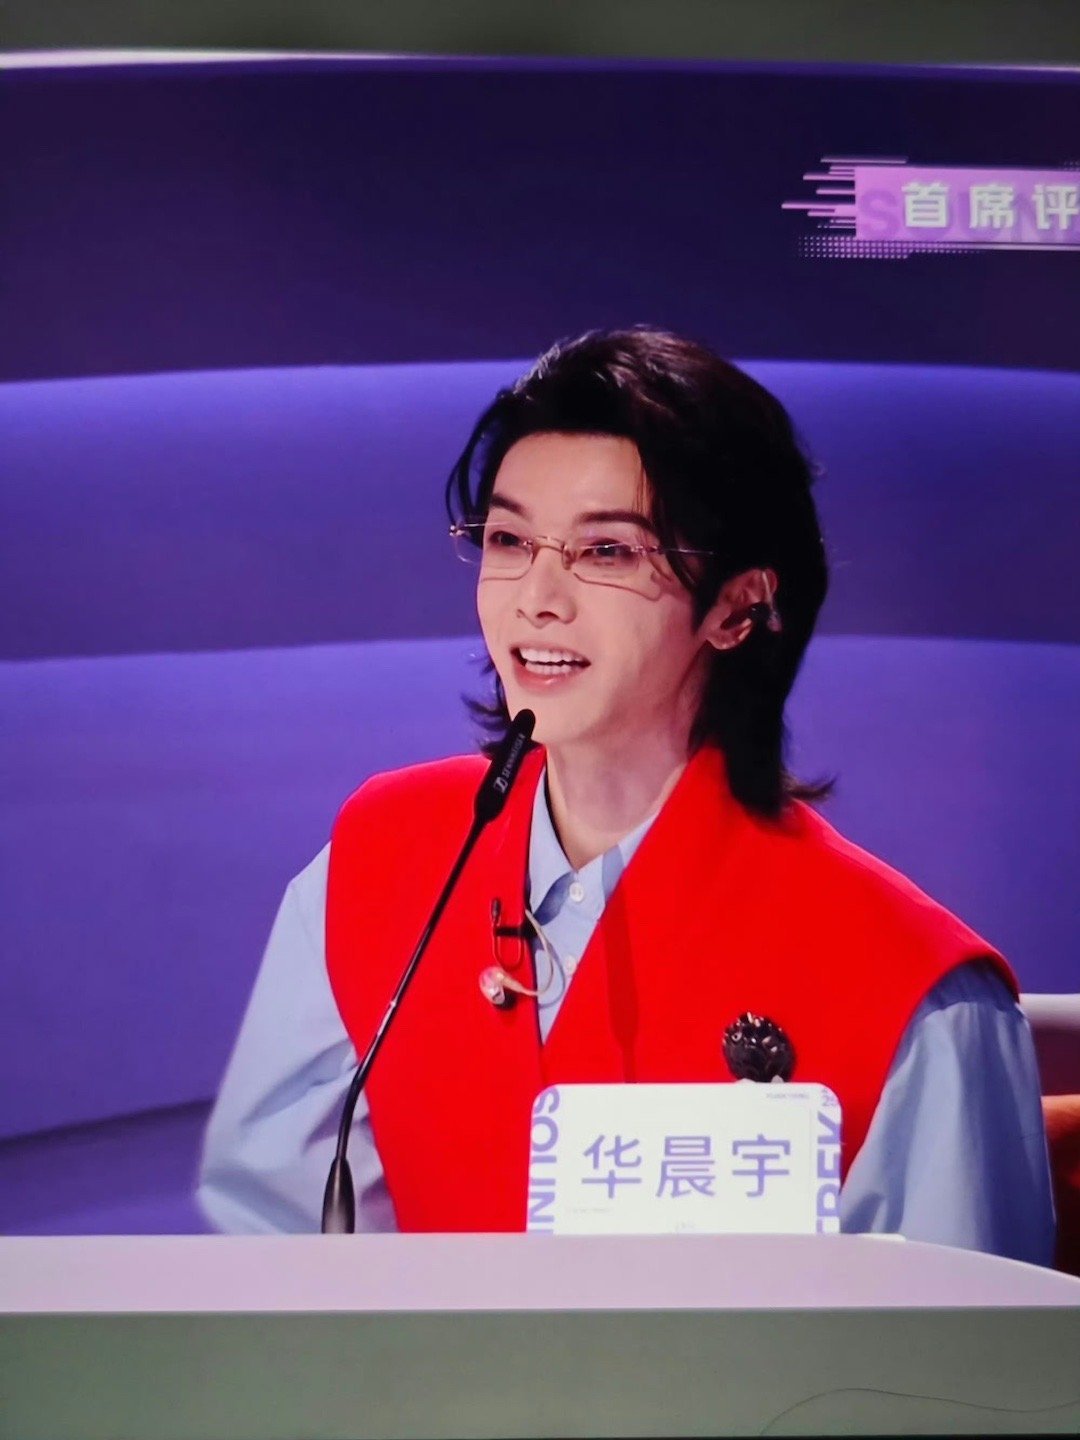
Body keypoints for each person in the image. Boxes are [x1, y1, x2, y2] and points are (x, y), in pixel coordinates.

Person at [198, 327, 1054, 1260]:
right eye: (509, 539)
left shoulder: (915, 987)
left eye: (606, 551)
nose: (537, 597)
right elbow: (275, 1238)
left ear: (737, 605)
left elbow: (957, 1345)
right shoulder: (372, 866)